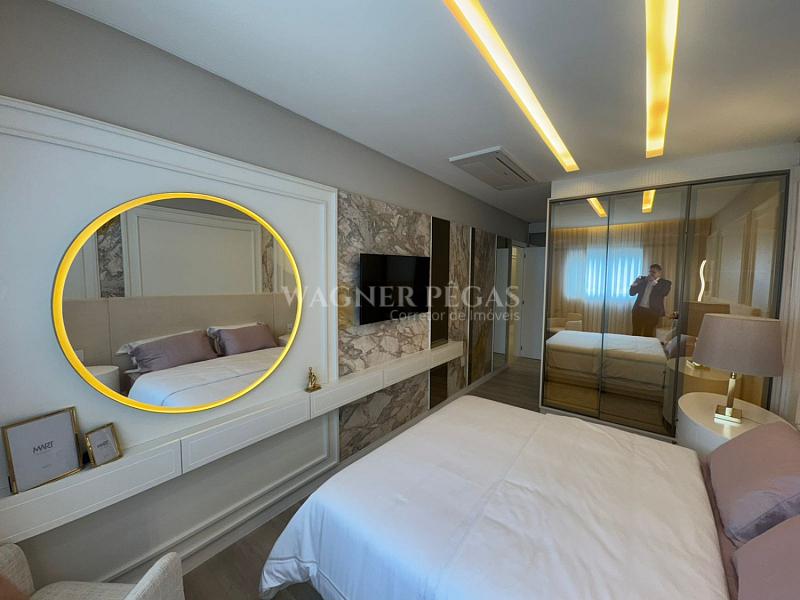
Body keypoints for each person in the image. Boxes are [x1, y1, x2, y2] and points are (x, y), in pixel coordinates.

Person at [629, 264, 671, 337]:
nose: (651, 274)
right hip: (638, 310)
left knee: (648, 333)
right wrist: (635, 283)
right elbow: (632, 293)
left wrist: (654, 282)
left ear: (659, 273)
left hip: (652, 312)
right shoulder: (643, 280)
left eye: (653, 272)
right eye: (650, 271)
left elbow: (664, 293)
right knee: (636, 332)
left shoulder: (666, 283)